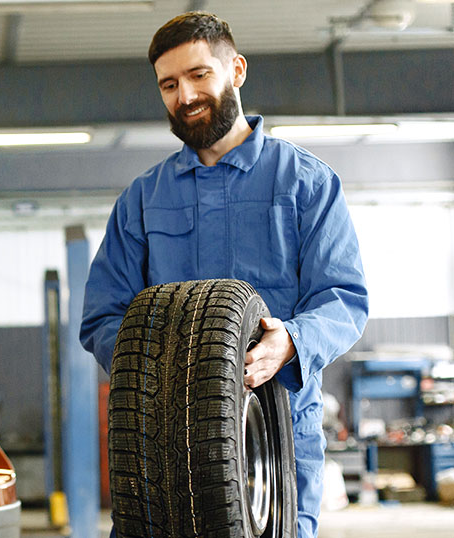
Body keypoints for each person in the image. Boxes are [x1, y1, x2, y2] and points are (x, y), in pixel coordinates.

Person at [80, 11, 368, 538]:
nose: (185, 95)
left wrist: (292, 342)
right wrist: (152, 364)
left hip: (275, 428)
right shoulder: (143, 201)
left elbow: (343, 298)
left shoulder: (305, 183)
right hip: (161, 442)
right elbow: (102, 315)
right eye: (169, 84)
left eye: (198, 75)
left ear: (235, 70)